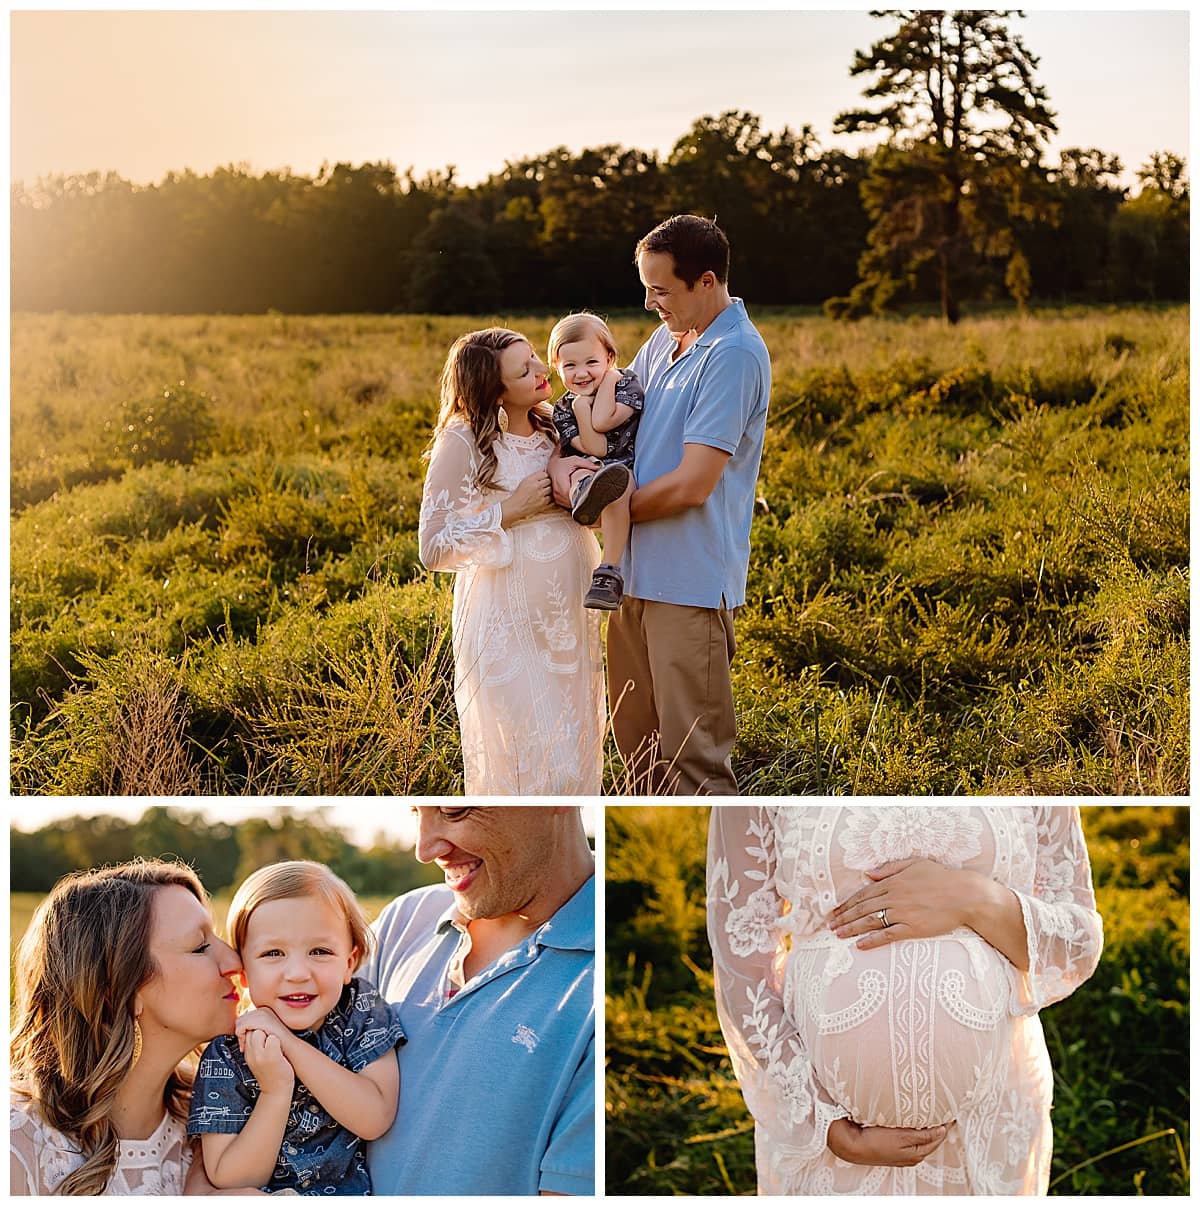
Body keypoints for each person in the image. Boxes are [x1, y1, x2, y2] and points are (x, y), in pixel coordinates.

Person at [706, 805, 1104, 1195]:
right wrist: (819, 1118)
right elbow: (742, 957)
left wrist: (973, 898)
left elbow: (1078, 943)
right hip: (828, 1139)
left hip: (989, 1123)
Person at [596, 214, 771, 795]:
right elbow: (618, 417)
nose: (650, 302)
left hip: (688, 584)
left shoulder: (734, 353)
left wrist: (606, 511)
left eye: (662, 289)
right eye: (646, 288)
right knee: (639, 758)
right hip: (630, 575)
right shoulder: (667, 339)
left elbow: (694, 482)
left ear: (706, 282)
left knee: (693, 763)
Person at [364, 806, 595, 1196]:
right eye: (415, 811)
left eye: (454, 811)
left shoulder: (596, 985)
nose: (425, 848)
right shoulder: (403, 921)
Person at [418, 328, 606, 794]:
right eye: (525, 371)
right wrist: (510, 510)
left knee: (573, 752)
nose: (544, 371)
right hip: (507, 626)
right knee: (527, 754)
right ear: (494, 391)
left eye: (535, 360)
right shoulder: (461, 440)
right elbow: (433, 547)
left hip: (569, 624)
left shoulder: (553, 423)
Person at [10, 859, 248, 1195]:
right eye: (199, 947)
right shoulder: (18, 1145)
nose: (235, 962)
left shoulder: (224, 1121)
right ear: (117, 990)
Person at [188, 861, 405, 1195]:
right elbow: (231, 1179)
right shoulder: (228, 1053)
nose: (298, 973)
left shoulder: (361, 1011)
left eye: (320, 951)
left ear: (349, 963)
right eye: (273, 953)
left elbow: (375, 1117)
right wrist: (275, 1090)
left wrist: (288, 1044)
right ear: (243, 972)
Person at [547, 312, 644, 610]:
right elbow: (593, 447)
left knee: (616, 483)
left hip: (622, 473)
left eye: (592, 362)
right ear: (556, 367)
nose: (581, 373)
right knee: (578, 472)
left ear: (610, 358)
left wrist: (610, 381)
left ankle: (608, 572)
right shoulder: (562, 410)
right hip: (589, 468)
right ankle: (583, 496)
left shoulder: (626, 384)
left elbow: (603, 422)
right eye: (570, 366)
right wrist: (577, 406)